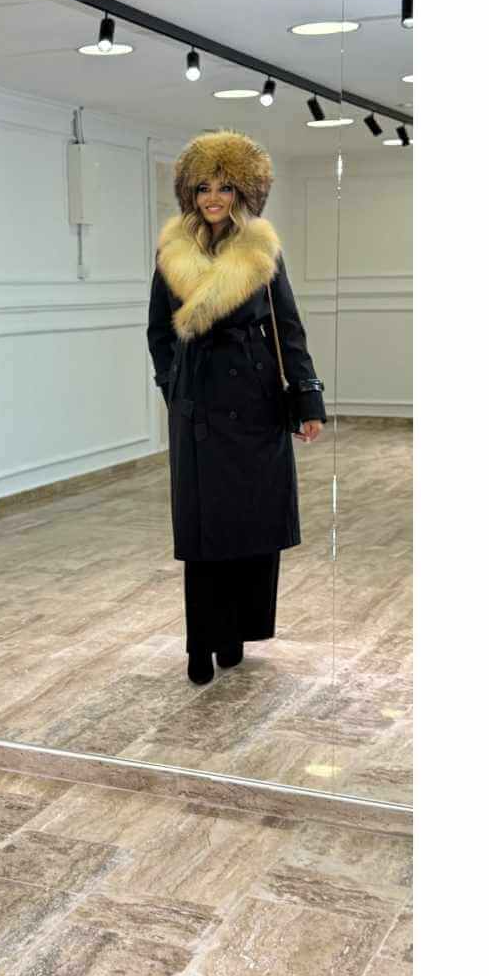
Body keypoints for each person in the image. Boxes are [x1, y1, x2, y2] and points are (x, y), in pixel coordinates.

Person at [146, 130, 326, 686]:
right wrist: (174, 386)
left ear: (243, 193)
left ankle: (238, 634)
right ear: (190, 192)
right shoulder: (171, 251)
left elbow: (287, 328)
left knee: (252, 527)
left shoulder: (262, 249)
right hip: (198, 408)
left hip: (254, 403)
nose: (213, 198)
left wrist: (307, 398)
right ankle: (201, 643)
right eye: (204, 187)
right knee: (204, 535)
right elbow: (158, 332)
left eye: (225, 188)